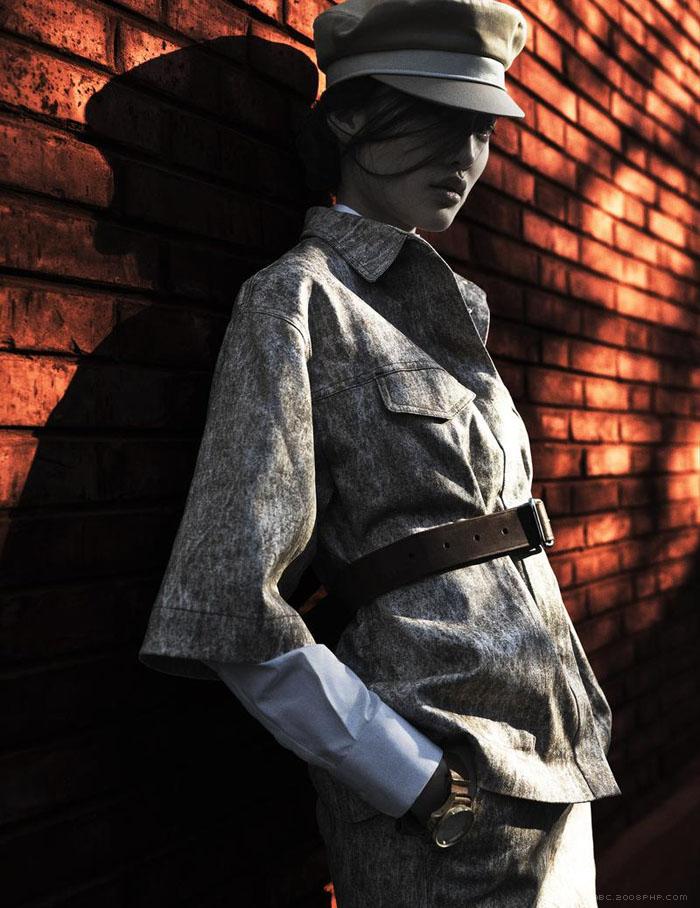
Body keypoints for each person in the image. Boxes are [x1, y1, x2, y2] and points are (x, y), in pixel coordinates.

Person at [138, 0, 622, 904]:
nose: (465, 156)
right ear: (352, 118)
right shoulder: (296, 302)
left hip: (559, 773)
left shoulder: (450, 312)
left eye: (482, 129)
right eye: (438, 117)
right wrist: (415, 781)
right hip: (445, 811)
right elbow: (229, 604)